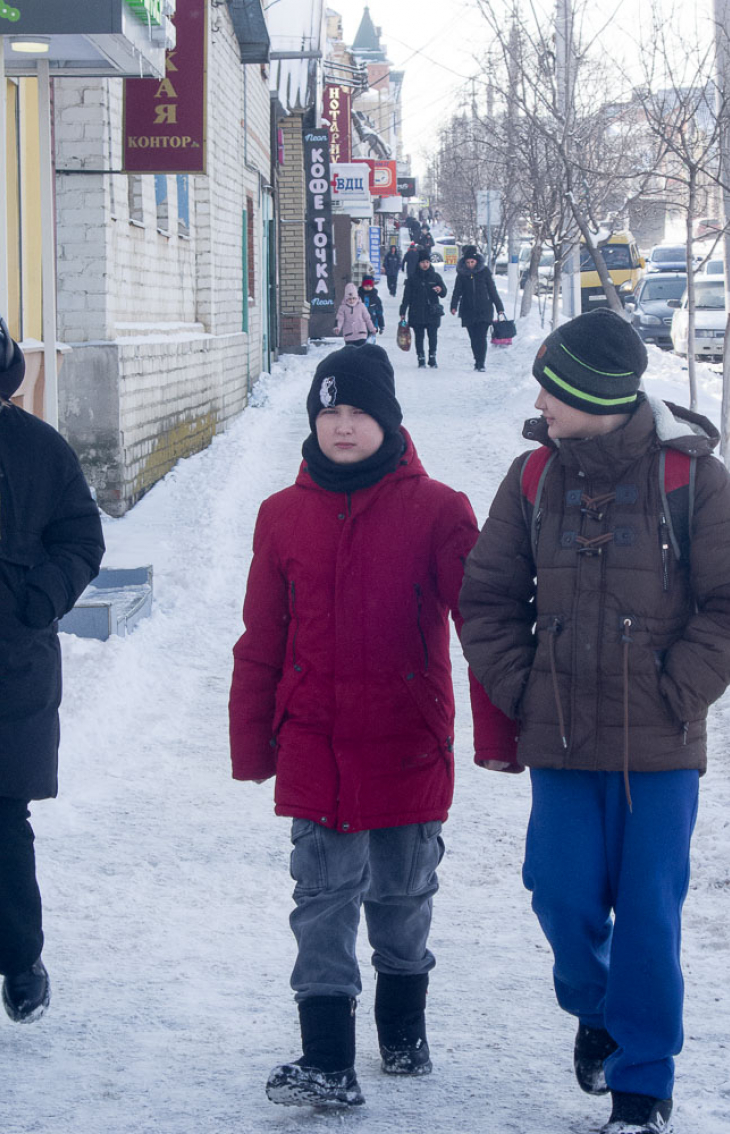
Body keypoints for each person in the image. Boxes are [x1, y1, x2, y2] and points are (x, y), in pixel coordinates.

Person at [458, 309, 730, 1134]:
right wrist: (522, 688)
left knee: (648, 916)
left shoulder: (690, 477)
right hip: (560, 741)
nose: (538, 400)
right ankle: (596, 1009)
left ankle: (642, 1088)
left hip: (661, 750)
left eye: (551, 386)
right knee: (559, 896)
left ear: (592, 395)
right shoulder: (533, 479)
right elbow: (488, 600)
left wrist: (680, 688)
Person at [229, 344, 514, 1109]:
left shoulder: (440, 510)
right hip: (315, 741)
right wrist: (253, 742)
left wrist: (498, 736)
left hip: (407, 740)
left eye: (357, 413)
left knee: (402, 895)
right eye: (329, 413)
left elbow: (480, 626)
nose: (343, 427)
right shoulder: (281, 516)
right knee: (321, 897)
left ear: (388, 421)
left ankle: (403, 1033)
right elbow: (262, 636)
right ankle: (326, 1059)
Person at [0, 316, 105, 1023]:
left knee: (4, 821)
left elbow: (80, 536)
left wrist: (41, 597)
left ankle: (19, 958)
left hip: (10, 668)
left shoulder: (36, 450)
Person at [450, 245, 505, 373]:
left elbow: (492, 290)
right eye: (468, 262)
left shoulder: (484, 272)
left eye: (472, 262)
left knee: (481, 337)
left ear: (477, 261)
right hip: (467, 310)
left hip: (484, 310)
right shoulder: (462, 275)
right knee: (473, 337)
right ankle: (477, 359)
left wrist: (499, 308)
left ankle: (481, 362)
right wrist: (453, 306)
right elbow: (457, 291)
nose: (470, 264)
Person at [399, 251, 447, 369]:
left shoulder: (435, 277)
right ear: (418, 264)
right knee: (419, 337)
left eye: (427, 262)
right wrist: (402, 312)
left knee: (433, 336)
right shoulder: (413, 278)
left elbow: (444, 293)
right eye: (422, 262)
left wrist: (440, 289)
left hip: (432, 312)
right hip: (417, 312)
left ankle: (432, 357)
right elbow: (406, 297)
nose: (425, 265)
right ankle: (420, 357)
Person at [334, 282, 376, 347]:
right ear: (346, 298)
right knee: (351, 354)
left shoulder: (361, 306)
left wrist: (372, 329)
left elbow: (367, 319)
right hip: (349, 335)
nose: (352, 301)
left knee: (360, 352)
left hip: (361, 334)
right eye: (349, 299)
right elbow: (339, 319)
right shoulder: (343, 308)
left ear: (357, 297)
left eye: (354, 298)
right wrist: (337, 327)